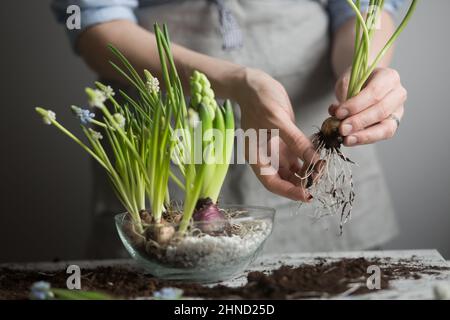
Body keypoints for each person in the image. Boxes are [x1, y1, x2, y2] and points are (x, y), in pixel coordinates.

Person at [52, 0, 407, 257]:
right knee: (165, 266)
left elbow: (363, 10)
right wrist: (236, 82)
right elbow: (94, 21)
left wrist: (360, 77)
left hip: (305, 123)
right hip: (165, 136)